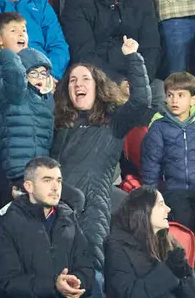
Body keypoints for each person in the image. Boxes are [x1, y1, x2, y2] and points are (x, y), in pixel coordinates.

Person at [52, 49, 152, 267]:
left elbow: (141, 101)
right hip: (58, 203)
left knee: (90, 266)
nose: (78, 84)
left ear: (98, 86)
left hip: (92, 205)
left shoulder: (113, 122)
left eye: (85, 79)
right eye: (72, 80)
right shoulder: (61, 125)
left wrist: (134, 58)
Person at [0, 156, 99, 298]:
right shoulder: (7, 225)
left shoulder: (69, 220)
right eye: (47, 180)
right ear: (29, 186)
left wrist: (76, 283)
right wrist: (54, 286)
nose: (55, 187)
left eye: (58, 181)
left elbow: (86, 267)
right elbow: (7, 283)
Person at [0, 19, 55, 202]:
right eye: (14, 30)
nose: (21, 34)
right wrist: (11, 81)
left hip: (31, 157)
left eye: (24, 30)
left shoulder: (38, 75)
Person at [141, 71, 195, 231]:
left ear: (193, 99)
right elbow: (151, 164)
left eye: (181, 95)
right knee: (183, 222)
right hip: (173, 191)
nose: (174, 100)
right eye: (170, 95)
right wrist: (152, 194)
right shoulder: (158, 127)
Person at [105, 185, 195, 298]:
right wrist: (169, 269)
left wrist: (185, 273)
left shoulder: (170, 243)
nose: (168, 209)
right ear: (143, 210)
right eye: (161, 204)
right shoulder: (117, 247)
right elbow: (128, 294)